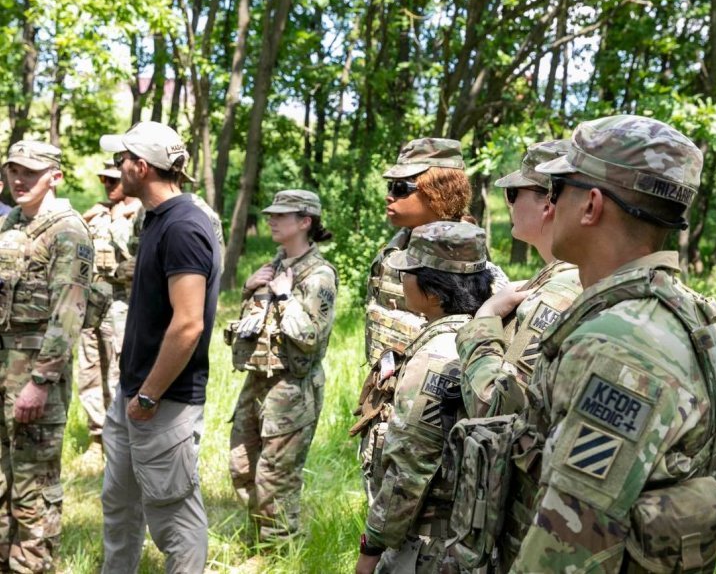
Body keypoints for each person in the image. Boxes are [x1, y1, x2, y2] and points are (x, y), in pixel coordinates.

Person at [507, 115, 716, 572]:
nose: (549, 206)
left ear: (590, 205)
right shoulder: (688, 313)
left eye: (556, 190)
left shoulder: (620, 345)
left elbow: (569, 543)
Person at [352, 138, 508, 505]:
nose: (389, 196)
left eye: (400, 188)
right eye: (389, 186)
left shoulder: (469, 262)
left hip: (436, 424)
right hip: (389, 409)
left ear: (439, 191)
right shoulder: (393, 251)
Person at [98, 121, 221, 574]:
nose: (116, 168)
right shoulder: (156, 220)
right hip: (134, 395)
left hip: (163, 400)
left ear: (141, 167)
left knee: (174, 517)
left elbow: (188, 324)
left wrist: (149, 395)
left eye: (120, 161)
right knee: (119, 501)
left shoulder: (185, 226)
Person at [356, 221, 494, 574]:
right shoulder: (484, 337)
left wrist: (371, 547)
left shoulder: (435, 357)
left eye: (408, 273)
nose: (401, 281)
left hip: (429, 544)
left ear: (433, 292)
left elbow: (409, 470)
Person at [0, 140, 92, 572]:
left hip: (35, 379)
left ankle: (31, 567)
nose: (19, 179)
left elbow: (68, 313)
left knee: (33, 490)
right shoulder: (10, 226)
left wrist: (40, 382)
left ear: (54, 177)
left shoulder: (68, 232)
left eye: (30, 173)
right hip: (3, 371)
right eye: (13, 170)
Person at [227, 189, 338, 540]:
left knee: (276, 475)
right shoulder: (273, 266)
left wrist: (287, 297)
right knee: (242, 465)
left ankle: (279, 548)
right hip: (258, 380)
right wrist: (249, 289)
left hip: (291, 386)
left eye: (281, 215)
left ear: (305, 222)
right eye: (270, 214)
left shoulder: (318, 276)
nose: (271, 219)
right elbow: (250, 327)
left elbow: (309, 337)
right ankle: (261, 533)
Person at [457, 140, 582, 420]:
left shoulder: (559, 293)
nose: (509, 204)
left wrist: (485, 317)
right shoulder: (573, 277)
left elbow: (494, 407)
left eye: (513, 194)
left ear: (549, 202)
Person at [76, 162, 141, 465]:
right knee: (89, 370)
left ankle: (119, 439)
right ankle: (96, 437)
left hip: (123, 306)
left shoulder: (142, 214)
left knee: (118, 371)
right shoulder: (98, 212)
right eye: (103, 178)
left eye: (112, 179)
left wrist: (118, 222)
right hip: (92, 303)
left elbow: (136, 264)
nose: (107, 184)